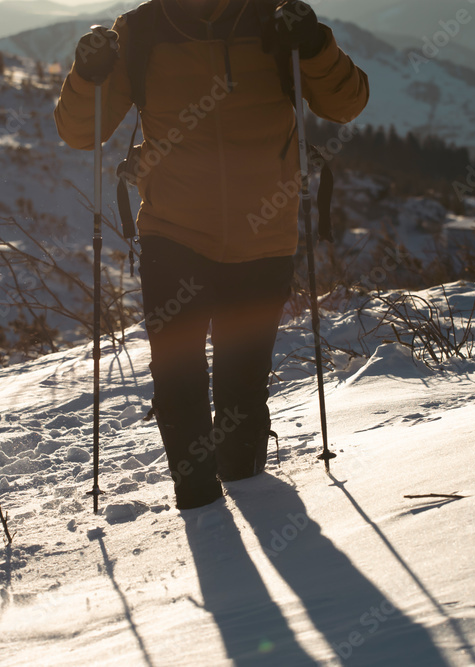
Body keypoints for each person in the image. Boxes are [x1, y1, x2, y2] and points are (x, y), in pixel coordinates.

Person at [54, 0, 368, 509]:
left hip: (263, 236)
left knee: (242, 382)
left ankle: (246, 487)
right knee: (176, 374)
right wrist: (89, 75)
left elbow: (346, 103)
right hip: (173, 235)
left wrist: (314, 45)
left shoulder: (273, 19)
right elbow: (80, 132)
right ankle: (197, 503)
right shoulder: (142, 30)